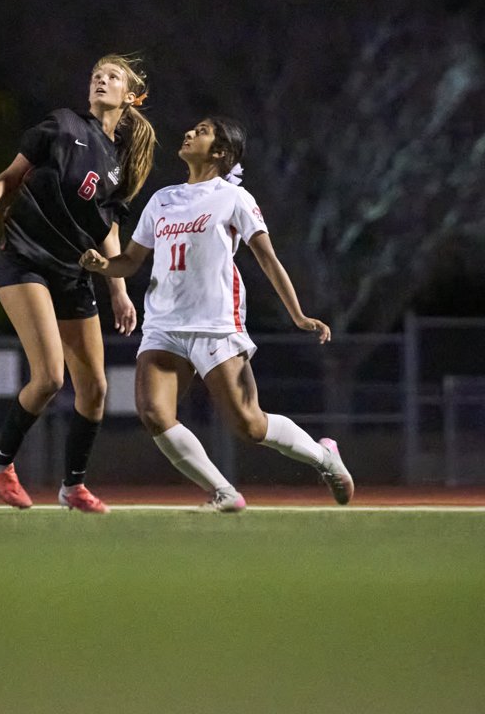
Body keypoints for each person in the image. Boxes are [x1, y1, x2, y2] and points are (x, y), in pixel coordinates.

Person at [80, 115, 354, 510]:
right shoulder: (162, 199)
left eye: (202, 131)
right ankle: (223, 492)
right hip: (164, 326)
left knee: (249, 424)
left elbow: (268, 259)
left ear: (221, 152)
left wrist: (298, 314)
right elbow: (130, 262)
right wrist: (103, 266)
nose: (189, 132)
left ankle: (324, 457)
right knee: (154, 412)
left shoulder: (234, 198)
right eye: (192, 128)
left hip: (215, 324)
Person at [0, 54, 156, 513]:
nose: (100, 80)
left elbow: (107, 230)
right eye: (96, 75)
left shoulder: (119, 164)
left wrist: (119, 290)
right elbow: (9, 178)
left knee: (95, 389)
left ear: (129, 97)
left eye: (112, 77)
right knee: (49, 376)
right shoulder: (62, 126)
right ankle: (1, 464)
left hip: (72, 272)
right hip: (24, 260)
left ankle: (73, 487)